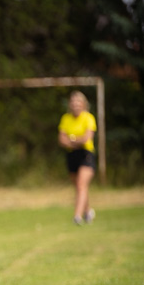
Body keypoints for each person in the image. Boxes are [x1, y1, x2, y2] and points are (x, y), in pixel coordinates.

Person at [58, 91, 97, 225]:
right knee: (79, 186)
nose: (75, 105)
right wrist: (76, 141)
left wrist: (72, 139)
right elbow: (61, 139)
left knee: (81, 184)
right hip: (72, 155)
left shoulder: (88, 118)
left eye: (78, 102)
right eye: (72, 102)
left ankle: (77, 216)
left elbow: (87, 138)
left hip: (86, 154)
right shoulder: (66, 118)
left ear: (83, 104)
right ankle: (88, 212)